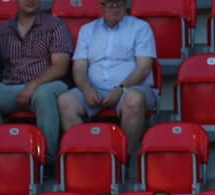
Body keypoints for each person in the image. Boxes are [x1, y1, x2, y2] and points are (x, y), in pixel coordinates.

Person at [57, 0, 157, 174]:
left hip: (130, 87)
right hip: (95, 89)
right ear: (100, 6)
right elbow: (79, 67)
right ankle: (90, 159)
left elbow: (144, 67)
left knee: (134, 100)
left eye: (117, 3)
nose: (113, 7)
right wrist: (87, 89)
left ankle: (122, 161)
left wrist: (121, 88)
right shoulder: (87, 30)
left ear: (126, 4)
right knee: (66, 101)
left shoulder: (141, 28)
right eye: (108, 3)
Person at [0, 0, 72, 163]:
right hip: (12, 85)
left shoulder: (55, 25)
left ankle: (46, 158)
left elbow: (60, 67)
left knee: (43, 95)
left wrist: (32, 85)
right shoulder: (3, 30)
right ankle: (1, 152)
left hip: (47, 83)